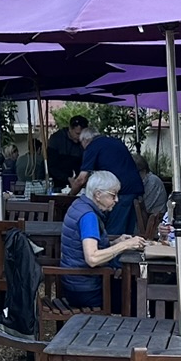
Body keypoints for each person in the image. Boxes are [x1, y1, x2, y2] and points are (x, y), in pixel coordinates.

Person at [58, 170, 147, 308]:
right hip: (87, 290)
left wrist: (115, 242)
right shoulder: (89, 217)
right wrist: (124, 245)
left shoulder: (79, 205)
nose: (116, 200)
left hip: (74, 285)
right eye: (113, 195)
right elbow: (92, 258)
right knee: (143, 297)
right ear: (98, 194)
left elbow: (86, 247)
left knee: (133, 289)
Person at [69, 123, 144, 235]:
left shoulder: (93, 146)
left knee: (114, 231)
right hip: (135, 188)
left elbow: (81, 179)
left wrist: (70, 195)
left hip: (119, 191)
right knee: (128, 230)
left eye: (81, 143)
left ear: (85, 140)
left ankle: (113, 251)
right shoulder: (114, 142)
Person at [45, 114, 87, 190]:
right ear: (70, 129)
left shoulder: (83, 141)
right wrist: (67, 178)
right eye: (77, 133)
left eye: (82, 134)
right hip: (56, 182)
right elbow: (51, 166)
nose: (80, 137)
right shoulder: (56, 139)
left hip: (76, 183)